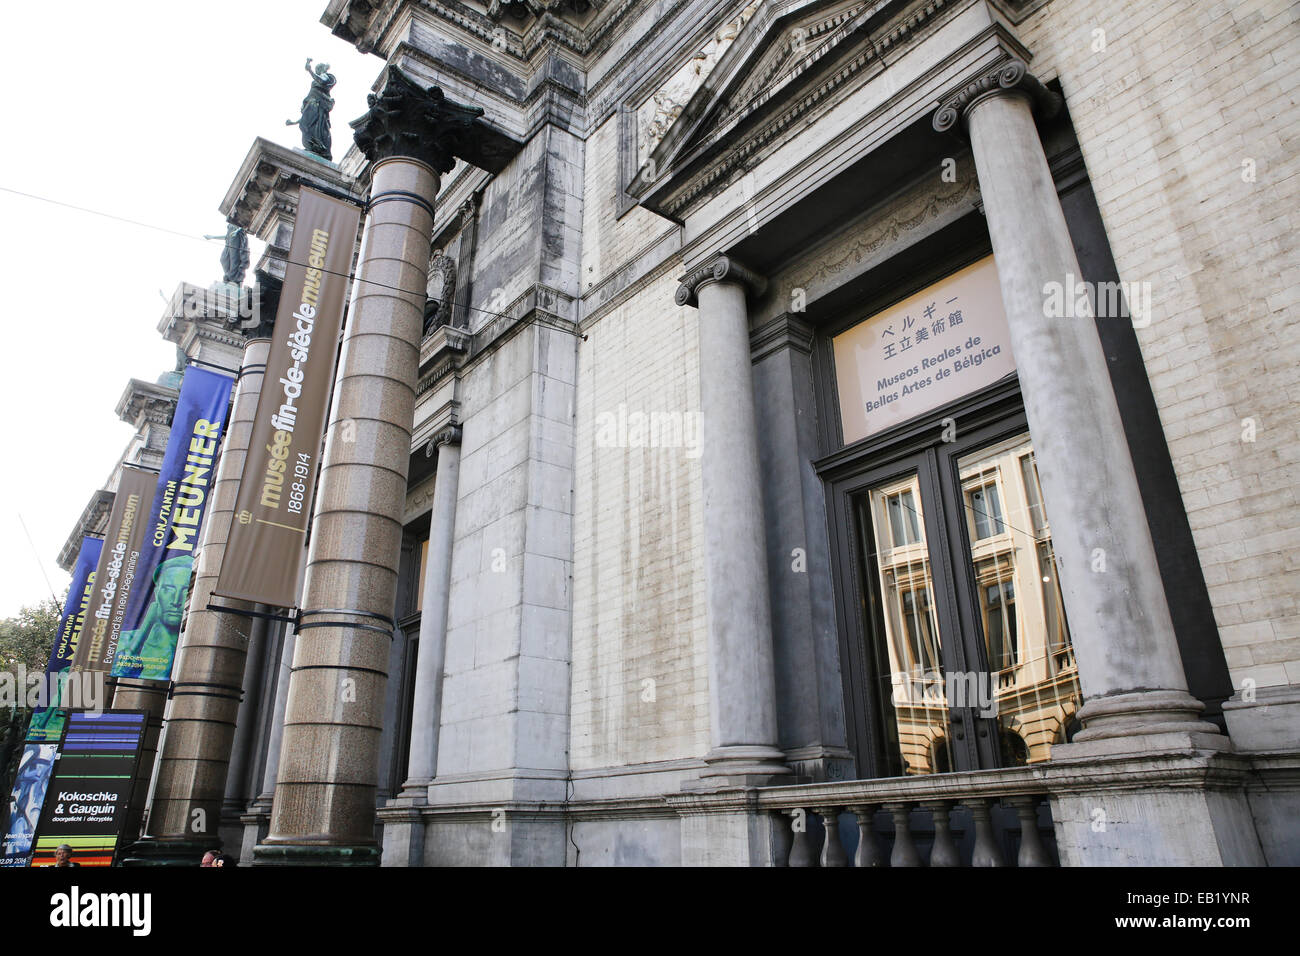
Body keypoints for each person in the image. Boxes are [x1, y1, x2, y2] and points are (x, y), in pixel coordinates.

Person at [114, 556, 193, 679]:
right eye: (168, 590)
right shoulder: (121, 642)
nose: (176, 600)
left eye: (184, 590)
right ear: (157, 593)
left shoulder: (196, 648)